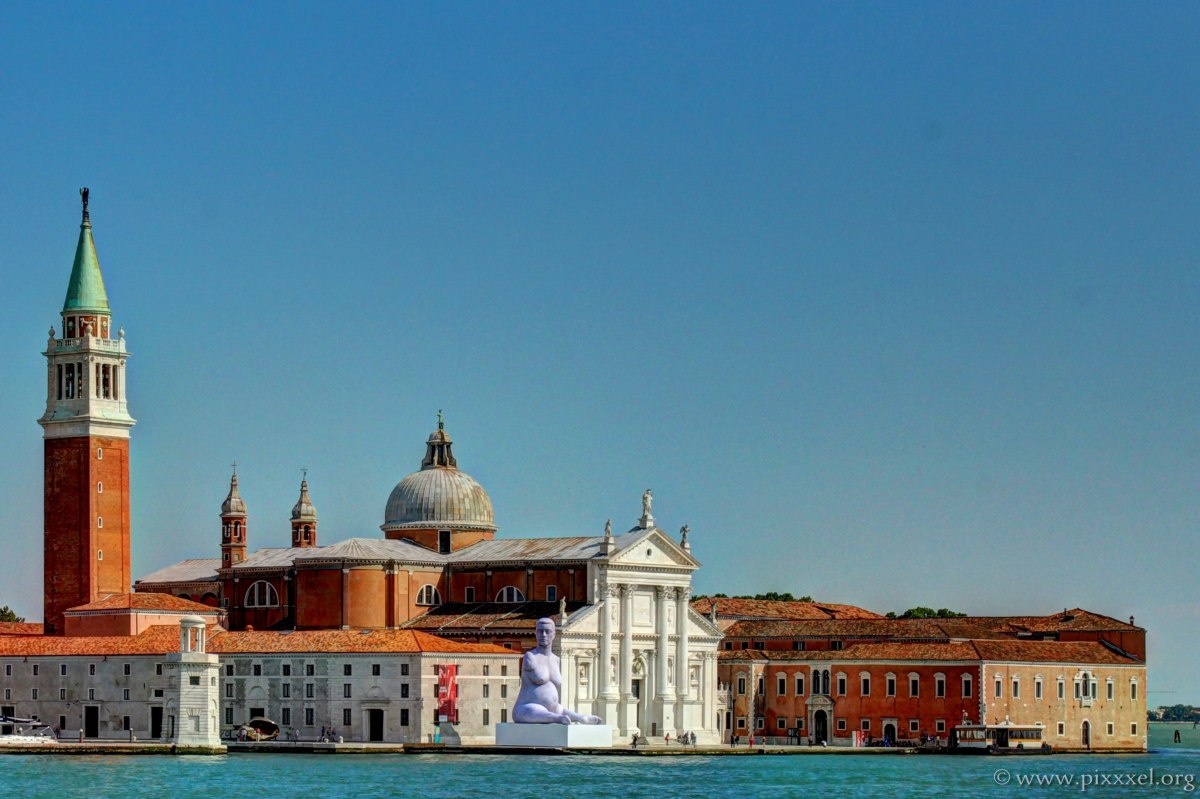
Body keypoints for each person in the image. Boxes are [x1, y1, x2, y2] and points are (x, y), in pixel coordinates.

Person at [512, 618, 602, 725]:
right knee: (536, 711)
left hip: (554, 708)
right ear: (535, 634)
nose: (543, 635)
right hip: (527, 707)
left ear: (554, 634)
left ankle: (581, 718)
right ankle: (558, 719)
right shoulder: (530, 657)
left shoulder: (556, 660)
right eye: (540, 631)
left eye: (547, 631)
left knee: (561, 709)